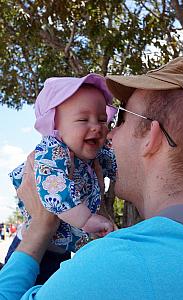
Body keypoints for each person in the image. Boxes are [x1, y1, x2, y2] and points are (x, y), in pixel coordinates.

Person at [1, 57, 183, 299]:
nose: (109, 133)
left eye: (119, 120)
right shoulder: (54, 153)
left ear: (152, 137)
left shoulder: (113, 267)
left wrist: (39, 230)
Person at [5, 74, 116, 284]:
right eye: (84, 119)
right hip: (37, 250)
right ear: (54, 126)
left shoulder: (92, 152)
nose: (97, 126)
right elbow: (54, 191)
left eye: (102, 119)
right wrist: (87, 220)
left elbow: (116, 163)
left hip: (59, 250)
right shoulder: (52, 152)